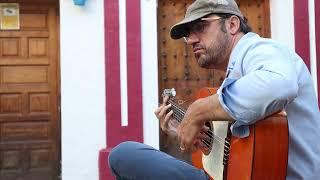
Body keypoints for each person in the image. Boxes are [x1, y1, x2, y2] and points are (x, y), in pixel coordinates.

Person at [108, 0, 320, 179]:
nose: (190, 40)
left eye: (200, 27)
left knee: (123, 154)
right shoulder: (235, 71)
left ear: (232, 24)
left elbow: (279, 84)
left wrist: (198, 110)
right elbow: (246, 154)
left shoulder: (259, 50)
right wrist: (193, 135)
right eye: (188, 34)